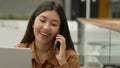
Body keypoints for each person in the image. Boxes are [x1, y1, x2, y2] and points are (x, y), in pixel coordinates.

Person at [15, 1, 80, 68]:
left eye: (53, 24)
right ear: (33, 22)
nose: (46, 27)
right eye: (42, 20)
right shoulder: (17, 51)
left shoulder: (70, 57)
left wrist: (62, 62)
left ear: (59, 30)